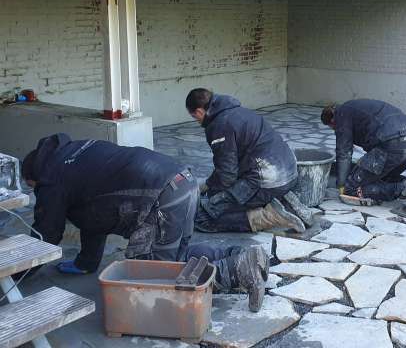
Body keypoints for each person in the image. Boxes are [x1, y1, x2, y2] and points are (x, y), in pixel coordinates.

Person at [22, 133, 268, 311]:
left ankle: (236, 270)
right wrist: (86, 262)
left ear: (33, 177)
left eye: (32, 188)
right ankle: (242, 255)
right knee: (174, 256)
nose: (35, 193)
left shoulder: (51, 180)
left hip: (160, 196)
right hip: (183, 181)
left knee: (154, 278)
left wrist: (15, 275)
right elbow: (91, 217)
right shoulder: (75, 151)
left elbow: (46, 235)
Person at [185, 88, 313, 234]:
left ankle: (270, 216)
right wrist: (211, 186)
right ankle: (282, 201)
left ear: (200, 111)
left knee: (205, 217)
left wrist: (210, 192)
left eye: (195, 116)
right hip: (288, 174)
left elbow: (226, 175)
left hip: (267, 181)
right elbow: (230, 164)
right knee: (224, 196)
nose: (197, 120)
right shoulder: (240, 112)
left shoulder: (219, 126)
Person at [321, 99, 406, 213]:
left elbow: (344, 152)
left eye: (333, 128)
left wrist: (341, 184)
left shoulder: (341, 114)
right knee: (383, 178)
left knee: (351, 189)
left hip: (392, 143)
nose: (336, 130)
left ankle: (405, 188)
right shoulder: (356, 108)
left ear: (332, 121)